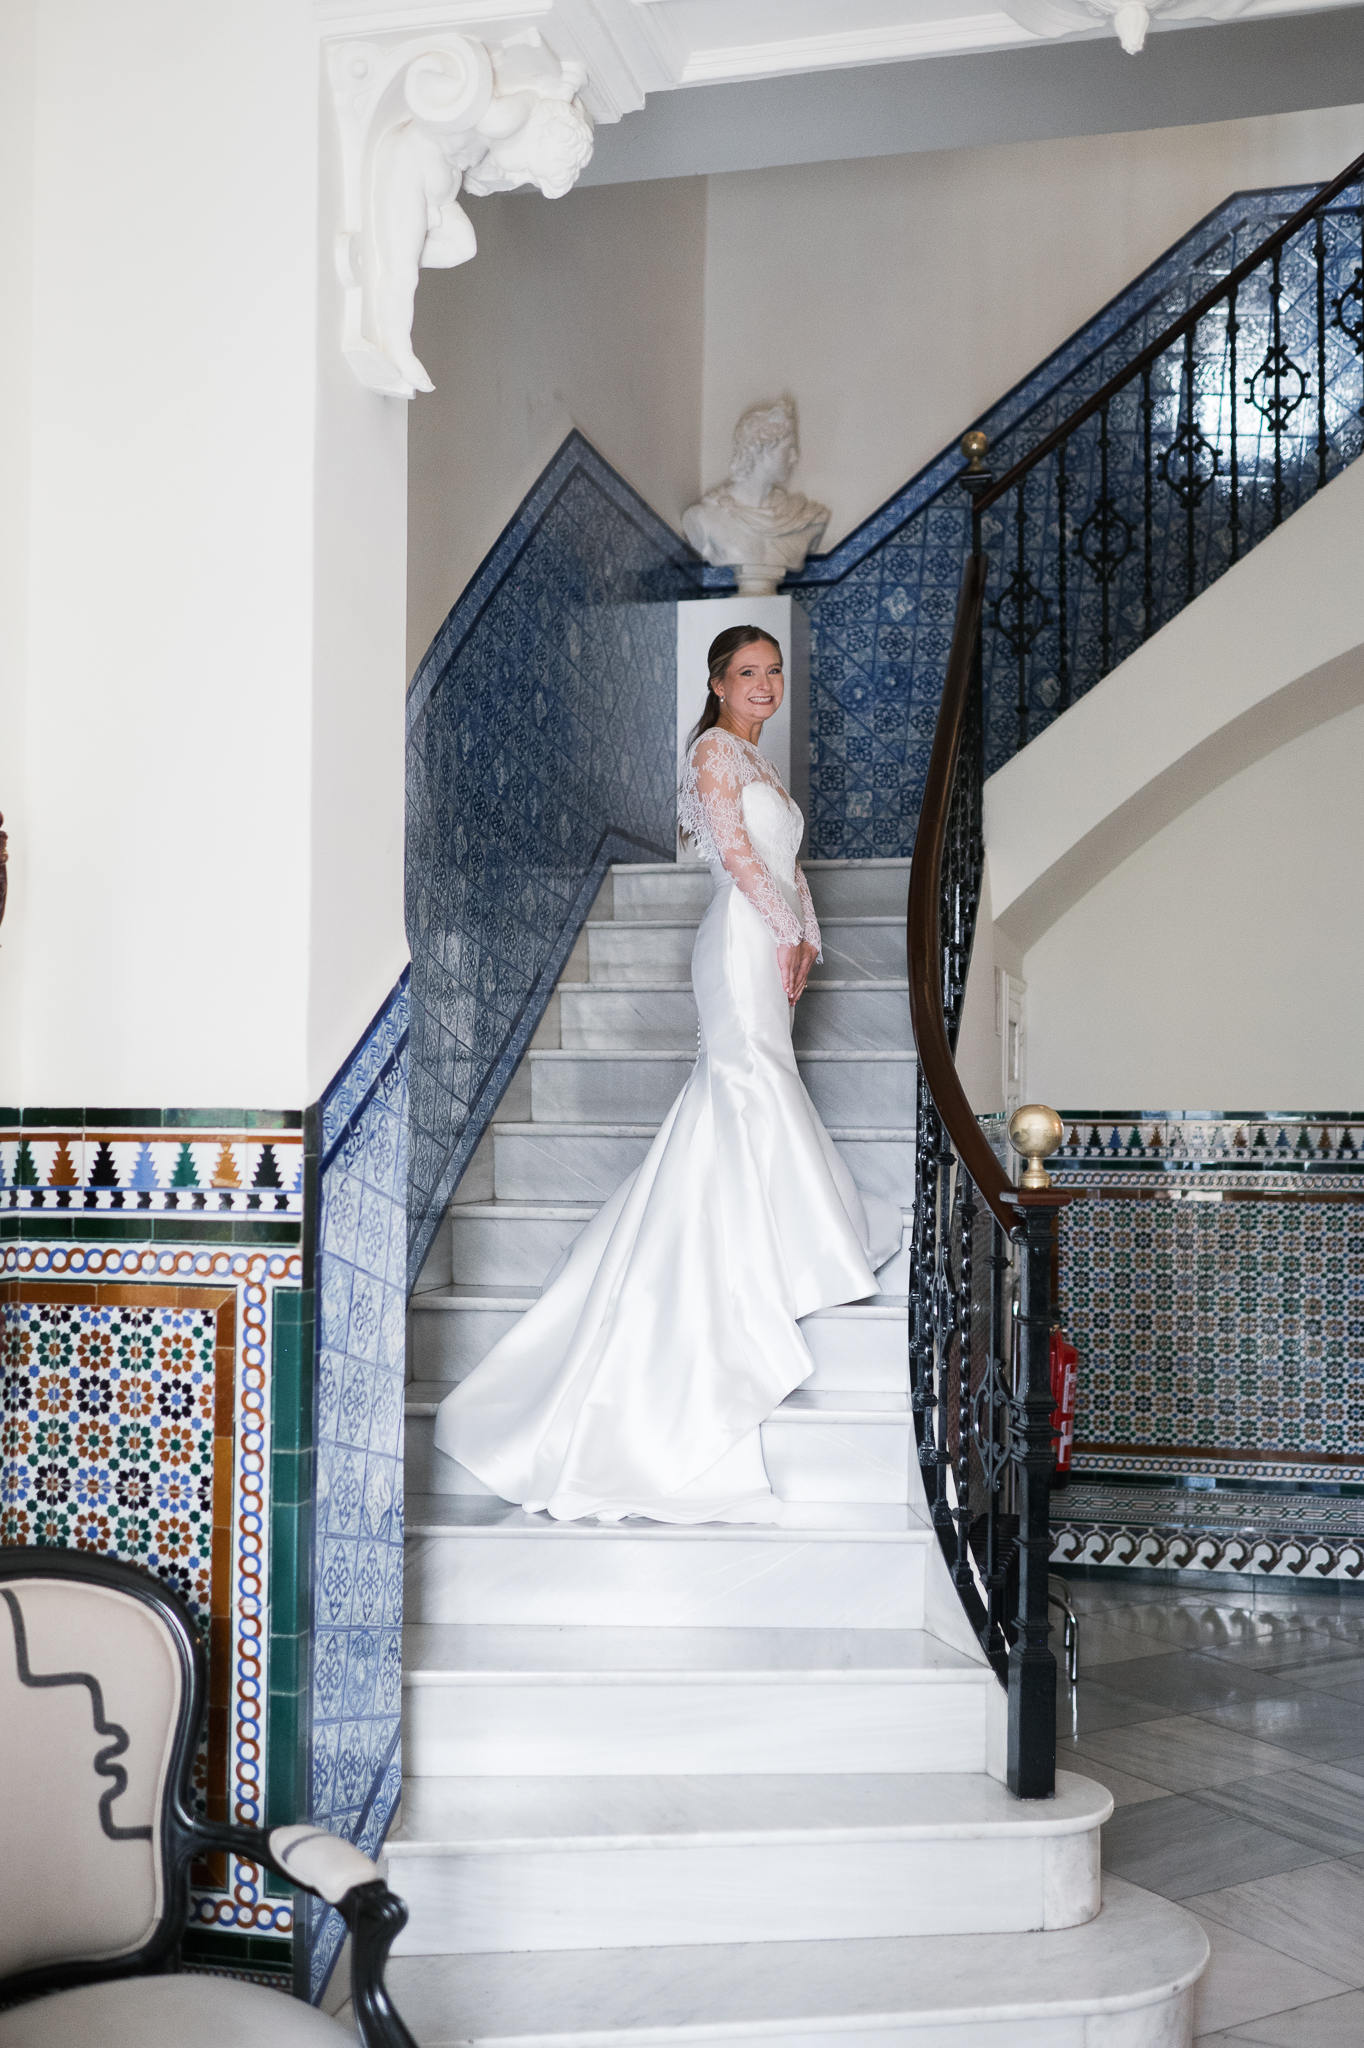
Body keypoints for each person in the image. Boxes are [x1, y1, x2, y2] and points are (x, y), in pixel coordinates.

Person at [432, 626, 899, 1523]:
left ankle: (777, 1229)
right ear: (718, 685)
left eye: (773, 672)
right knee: (745, 1077)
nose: (765, 685)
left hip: (769, 938)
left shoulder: (761, 763)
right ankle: (776, 1248)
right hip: (735, 939)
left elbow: (787, 866)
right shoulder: (715, 752)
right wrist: (788, 929)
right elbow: (734, 856)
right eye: (747, 673)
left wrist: (807, 934)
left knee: (754, 1081)